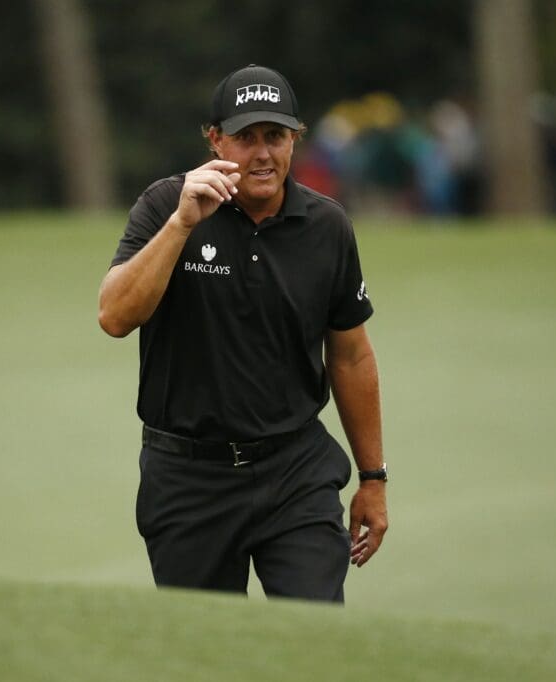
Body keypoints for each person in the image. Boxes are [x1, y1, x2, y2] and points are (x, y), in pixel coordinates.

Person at [97, 64, 388, 602]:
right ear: (214, 140)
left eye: (275, 137)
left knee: (312, 643)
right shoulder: (166, 205)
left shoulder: (327, 226)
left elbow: (349, 356)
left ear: (295, 141)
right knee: (205, 654)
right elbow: (114, 316)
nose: (262, 154)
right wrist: (183, 224)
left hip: (296, 472)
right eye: (245, 138)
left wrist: (373, 477)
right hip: (188, 478)